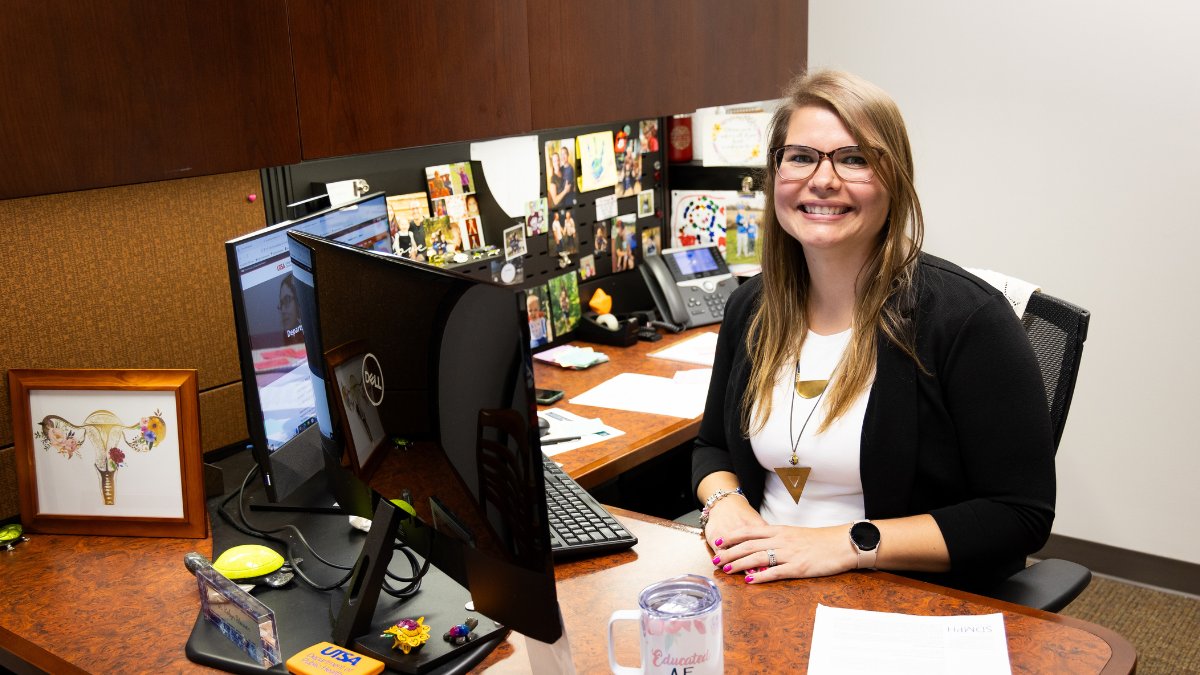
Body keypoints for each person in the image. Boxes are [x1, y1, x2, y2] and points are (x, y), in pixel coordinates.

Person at [692, 70, 1055, 595]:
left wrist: (845, 543)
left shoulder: (968, 319)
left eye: (854, 159)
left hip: (891, 595)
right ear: (775, 174)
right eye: (800, 156)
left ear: (895, 179)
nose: (823, 179)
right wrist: (725, 504)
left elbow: (1018, 515)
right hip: (757, 582)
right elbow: (713, 447)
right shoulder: (753, 307)